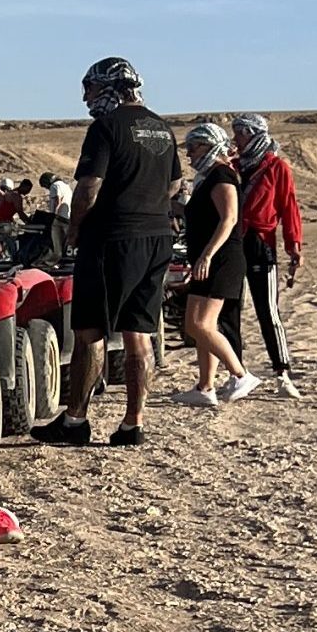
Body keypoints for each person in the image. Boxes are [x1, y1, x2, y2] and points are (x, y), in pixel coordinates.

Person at [34, 56, 182, 448]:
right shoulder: (162, 129)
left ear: (112, 88)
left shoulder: (106, 127)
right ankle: (133, 423)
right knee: (139, 333)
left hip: (111, 240)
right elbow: (175, 185)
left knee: (90, 332)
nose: (86, 97)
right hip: (156, 239)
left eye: (91, 88)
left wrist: (77, 228)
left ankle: (75, 420)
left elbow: (87, 188)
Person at [173, 122, 261, 407]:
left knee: (199, 324)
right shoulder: (207, 178)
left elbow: (229, 219)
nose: (189, 154)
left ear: (211, 145)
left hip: (221, 260)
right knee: (200, 325)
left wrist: (207, 255)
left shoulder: (222, 175)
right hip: (205, 260)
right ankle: (205, 387)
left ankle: (240, 374)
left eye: (194, 147)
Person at [231, 113, 303, 395]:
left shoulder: (276, 167)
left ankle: (282, 371)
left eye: (240, 133)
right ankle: (235, 372)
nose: (236, 139)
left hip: (262, 243)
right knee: (230, 309)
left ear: (253, 134)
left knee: (267, 310)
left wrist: (293, 244)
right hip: (234, 242)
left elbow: (289, 207)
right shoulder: (235, 166)